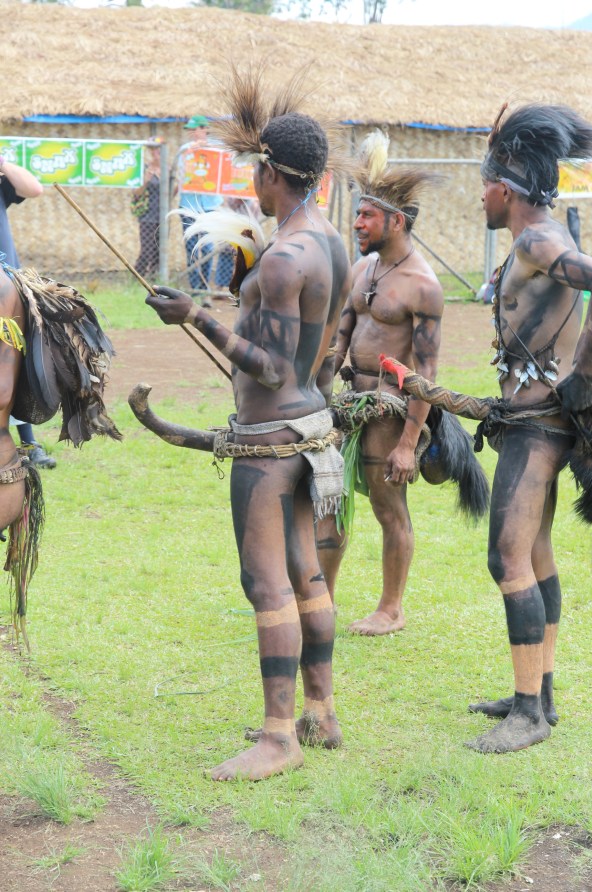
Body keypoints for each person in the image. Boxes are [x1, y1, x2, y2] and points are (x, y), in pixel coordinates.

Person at [143, 70, 352, 781]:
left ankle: (276, 737)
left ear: (271, 175)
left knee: (265, 582)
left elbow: (267, 367)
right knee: (305, 572)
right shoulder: (329, 244)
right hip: (312, 430)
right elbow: (310, 359)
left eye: (254, 174)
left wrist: (194, 314)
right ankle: (318, 712)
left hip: (268, 444)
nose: (250, 187)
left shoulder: (282, 259)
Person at [463, 103, 592, 753]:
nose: (479, 194)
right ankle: (537, 694)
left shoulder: (538, 240)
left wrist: (584, 377)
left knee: (506, 556)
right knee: (535, 556)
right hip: (529, 420)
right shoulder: (533, 242)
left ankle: (526, 715)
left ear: (505, 189)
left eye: (485, 183)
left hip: (538, 428)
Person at [316, 131, 444, 636]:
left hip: (392, 408)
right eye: (357, 214)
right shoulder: (362, 268)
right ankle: (320, 598)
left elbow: (427, 373)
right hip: (349, 403)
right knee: (330, 498)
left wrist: (410, 442)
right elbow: (340, 336)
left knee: (388, 506)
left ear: (396, 220)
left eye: (367, 216)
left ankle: (391, 608)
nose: (357, 223)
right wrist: (318, 393)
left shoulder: (423, 286)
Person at [0, 153, 55, 468]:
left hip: (7, 292)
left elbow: (34, 188)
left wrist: (2, 163)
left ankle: (28, 442)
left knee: (14, 361)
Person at [172, 115, 224, 308]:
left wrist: (206, 148)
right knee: (192, 249)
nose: (192, 133)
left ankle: (205, 291)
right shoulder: (184, 151)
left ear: (204, 129)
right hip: (188, 206)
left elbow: (230, 163)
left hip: (210, 207)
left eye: (196, 129)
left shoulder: (216, 149)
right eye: (190, 130)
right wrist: (189, 157)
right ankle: (195, 290)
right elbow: (180, 177)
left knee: (209, 248)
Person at [132, 138, 162, 279]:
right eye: (154, 150)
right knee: (147, 249)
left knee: (159, 249)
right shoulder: (144, 168)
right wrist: (146, 180)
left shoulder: (168, 169)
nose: (157, 153)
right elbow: (136, 192)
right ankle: (138, 275)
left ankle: (154, 276)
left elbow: (171, 193)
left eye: (159, 149)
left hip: (162, 215)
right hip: (147, 215)